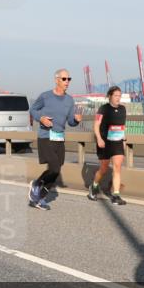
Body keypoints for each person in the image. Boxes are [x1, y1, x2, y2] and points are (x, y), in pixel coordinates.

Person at [28, 68, 82, 210]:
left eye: (69, 79)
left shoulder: (70, 100)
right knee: (54, 167)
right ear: (56, 80)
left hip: (59, 138)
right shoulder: (45, 96)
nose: (67, 82)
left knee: (56, 170)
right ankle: (36, 184)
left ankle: (39, 198)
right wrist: (41, 118)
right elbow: (33, 110)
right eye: (64, 79)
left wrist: (76, 120)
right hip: (46, 136)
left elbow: (70, 121)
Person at [88, 85, 128, 206]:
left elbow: (122, 126)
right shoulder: (103, 109)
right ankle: (94, 186)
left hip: (117, 142)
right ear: (110, 96)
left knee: (117, 167)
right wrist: (99, 139)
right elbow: (96, 125)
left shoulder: (123, 109)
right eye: (115, 95)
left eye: (119, 96)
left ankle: (116, 195)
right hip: (105, 142)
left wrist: (124, 140)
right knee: (104, 169)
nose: (118, 98)